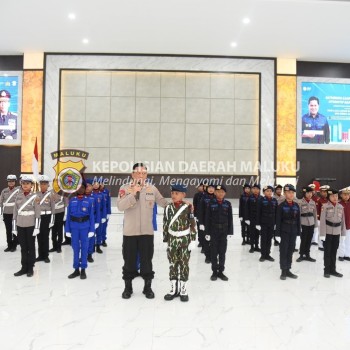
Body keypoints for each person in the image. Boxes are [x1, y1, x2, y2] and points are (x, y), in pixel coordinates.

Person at [117, 163, 168, 299]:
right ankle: (128, 288)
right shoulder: (124, 188)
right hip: (130, 233)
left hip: (147, 232)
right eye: (138, 173)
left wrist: (180, 203)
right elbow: (120, 206)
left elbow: (163, 202)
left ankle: (147, 287)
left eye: (144, 173)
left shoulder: (152, 189)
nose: (141, 175)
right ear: (132, 174)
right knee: (129, 261)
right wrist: (133, 194)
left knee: (147, 260)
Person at [163, 183, 196, 302]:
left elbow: (192, 224)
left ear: (183, 195)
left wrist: (193, 239)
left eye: (176, 193)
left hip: (184, 241)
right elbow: (165, 224)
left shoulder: (188, 207)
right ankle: (173, 289)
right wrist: (165, 239)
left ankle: (183, 290)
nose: (173, 195)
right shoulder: (168, 208)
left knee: (184, 264)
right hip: (172, 241)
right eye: (172, 193)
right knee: (172, 264)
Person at [12, 175, 41, 277]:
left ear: (31, 185)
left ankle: (30, 268)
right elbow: (15, 213)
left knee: (31, 247)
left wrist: (37, 228)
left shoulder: (35, 197)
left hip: (31, 225)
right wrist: (14, 228)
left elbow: (38, 214)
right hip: (20, 225)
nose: (25, 185)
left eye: (27, 183)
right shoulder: (18, 196)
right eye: (23, 183)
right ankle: (23, 267)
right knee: (23, 248)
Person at [65, 182, 95, 280]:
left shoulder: (89, 201)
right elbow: (68, 216)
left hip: (85, 227)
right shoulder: (72, 200)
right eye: (78, 187)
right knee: (75, 248)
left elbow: (91, 216)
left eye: (82, 187)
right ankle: (76, 269)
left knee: (85, 248)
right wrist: (67, 230)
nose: (80, 189)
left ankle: (83, 270)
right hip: (74, 227)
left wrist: (92, 230)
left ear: (85, 189)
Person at [205, 185, 233, 281]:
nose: (220, 193)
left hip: (224, 231)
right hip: (213, 231)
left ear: (225, 193)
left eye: (222, 192)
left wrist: (230, 232)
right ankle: (214, 272)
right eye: (218, 191)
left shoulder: (228, 204)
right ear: (215, 193)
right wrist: (207, 233)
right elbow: (207, 218)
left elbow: (230, 219)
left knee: (222, 252)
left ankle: (221, 271)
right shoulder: (210, 203)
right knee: (213, 252)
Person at [276, 184, 301, 280]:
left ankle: (288, 269)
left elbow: (298, 220)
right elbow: (278, 220)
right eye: (288, 192)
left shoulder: (296, 206)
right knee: (284, 251)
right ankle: (283, 270)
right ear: (285, 193)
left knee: (290, 250)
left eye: (292, 193)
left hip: (293, 231)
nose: (290, 194)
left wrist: (299, 233)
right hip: (284, 231)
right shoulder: (281, 206)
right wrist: (277, 234)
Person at [319, 189, 346, 278]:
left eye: (336, 196)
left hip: (337, 232)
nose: (335, 198)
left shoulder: (341, 207)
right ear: (329, 197)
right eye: (333, 196)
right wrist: (322, 234)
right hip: (328, 232)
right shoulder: (325, 206)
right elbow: (322, 221)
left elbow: (343, 222)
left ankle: (333, 270)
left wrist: (343, 234)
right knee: (327, 251)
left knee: (334, 251)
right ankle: (326, 270)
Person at [36, 175, 55, 263]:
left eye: (45, 184)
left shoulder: (51, 195)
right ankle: (40, 255)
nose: (43, 186)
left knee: (45, 237)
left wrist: (52, 220)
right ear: (39, 185)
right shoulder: (36, 194)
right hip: (39, 218)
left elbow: (53, 208)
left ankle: (46, 255)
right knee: (39, 237)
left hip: (47, 217)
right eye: (41, 184)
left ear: (48, 185)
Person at [256, 185, 277, 262]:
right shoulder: (261, 200)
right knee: (263, 239)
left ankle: (268, 254)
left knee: (269, 239)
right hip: (263, 222)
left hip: (271, 223)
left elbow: (276, 213)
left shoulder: (274, 200)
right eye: (267, 191)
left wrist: (275, 223)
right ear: (264, 192)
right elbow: (258, 212)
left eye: (270, 191)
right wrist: (257, 224)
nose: (269, 192)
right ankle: (263, 255)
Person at [296, 186, 317, 263]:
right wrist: (299, 225)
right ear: (304, 193)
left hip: (311, 223)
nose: (309, 194)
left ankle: (307, 254)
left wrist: (316, 225)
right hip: (303, 223)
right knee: (303, 240)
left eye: (311, 193)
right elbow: (298, 215)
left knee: (309, 240)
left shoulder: (313, 202)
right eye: (308, 193)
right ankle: (301, 255)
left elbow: (315, 214)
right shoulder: (300, 202)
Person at [0, 174, 20, 252]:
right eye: (9, 181)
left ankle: (14, 245)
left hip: (15, 214)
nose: (11, 183)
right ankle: (9, 245)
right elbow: (1, 202)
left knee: (14, 229)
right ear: (7, 182)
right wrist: (1, 212)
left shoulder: (18, 190)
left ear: (15, 182)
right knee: (8, 230)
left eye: (12, 181)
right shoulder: (4, 191)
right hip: (6, 213)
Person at [198, 181, 216, 263]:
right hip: (206, 223)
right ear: (206, 189)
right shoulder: (203, 198)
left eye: (213, 188)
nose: (211, 189)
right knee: (206, 240)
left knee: (214, 240)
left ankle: (213, 255)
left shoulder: (217, 197)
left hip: (215, 223)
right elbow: (200, 211)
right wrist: (201, 223)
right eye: (209, 188)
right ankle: (207, 256)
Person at [246, 184, 262, 253]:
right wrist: (247, 219)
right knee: (252, 233)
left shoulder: (261, 198)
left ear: (259, 190)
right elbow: (246, 209)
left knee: (257, 233)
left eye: (257, 189)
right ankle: (252, 247)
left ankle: (256, 246)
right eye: (254, 188)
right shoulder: (250, 198)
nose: (256, 190)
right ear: (252, 190)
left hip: (259, 219)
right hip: (251, 218)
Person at [316, 185, 330, 251]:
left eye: (325, 192)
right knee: (321, 232)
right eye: (323, 192)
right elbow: (317, 210)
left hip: (328, 219)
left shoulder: (329, 200)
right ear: (320, 192)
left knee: (326, 233)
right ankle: (320, 245)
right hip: (320, 219)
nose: (324, 193)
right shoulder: (319, 200)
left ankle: (325, 244)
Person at [338, 187, 350, 262]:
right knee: (341, 241)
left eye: (348, 194)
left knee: (348, 241)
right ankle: (341, 255)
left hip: (349, 225)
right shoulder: (339, 204)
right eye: (344, 194)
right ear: (341, 195)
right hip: (341, 226)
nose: (346, 196)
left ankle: (347, 255)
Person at [193, 181, 205, 247]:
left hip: (206, 216)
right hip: (198, 215)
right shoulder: (196, 195)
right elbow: (195, 205)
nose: (199, 188)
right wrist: (195, 215)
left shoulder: (207, 195)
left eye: (200, 186)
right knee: (199, 229)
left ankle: (205, 242)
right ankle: (200, 241)